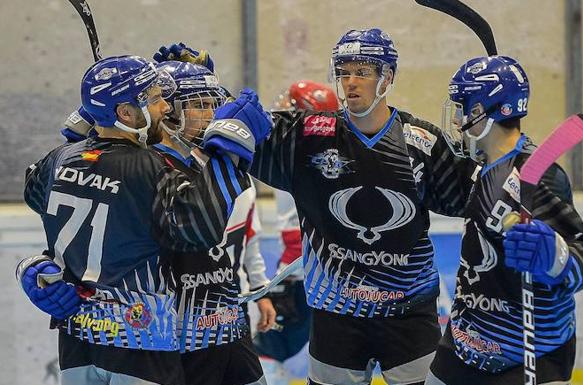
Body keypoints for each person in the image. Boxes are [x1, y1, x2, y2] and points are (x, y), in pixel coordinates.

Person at [156, 28, 477, 384]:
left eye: (363, 72)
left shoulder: (421, 142)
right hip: (336, 315)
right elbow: (234, 131)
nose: (350, 82)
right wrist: (189, 91)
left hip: (410, 313)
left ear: (387, 77)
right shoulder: (306, 136)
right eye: (343, 72)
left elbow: (481, 194)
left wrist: (496, 146)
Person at [17, 54, 272, 385]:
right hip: (144, 336)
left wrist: (91, 126)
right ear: (125, 112)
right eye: (157, 99)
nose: (164, 108)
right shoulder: (151, 167)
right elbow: (200, 227)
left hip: (85, 337)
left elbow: (38, 194)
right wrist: (230, 153)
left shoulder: (61, 157)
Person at [424, 56, 583, 385]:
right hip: (463, 344)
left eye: (464, 107)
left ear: (480, 113)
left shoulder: (536, 175)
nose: (460, 117)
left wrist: (554, 256)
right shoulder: (482, 165)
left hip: (527, 355)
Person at [154, 60, 273, 385]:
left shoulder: (221, 164)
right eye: (198, 105)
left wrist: (260, 289)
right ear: (169, 111)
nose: (210, 114)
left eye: (213, 105)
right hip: (181, 333)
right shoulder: (151, 167)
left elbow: (245, 232)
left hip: (231, 322)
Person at [253, 80, 339, 385]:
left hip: (297, 272)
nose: (281, 113)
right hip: (326, 274)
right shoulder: (334, 157)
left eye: (290, 107)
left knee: (269, 351)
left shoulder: (289, 153)